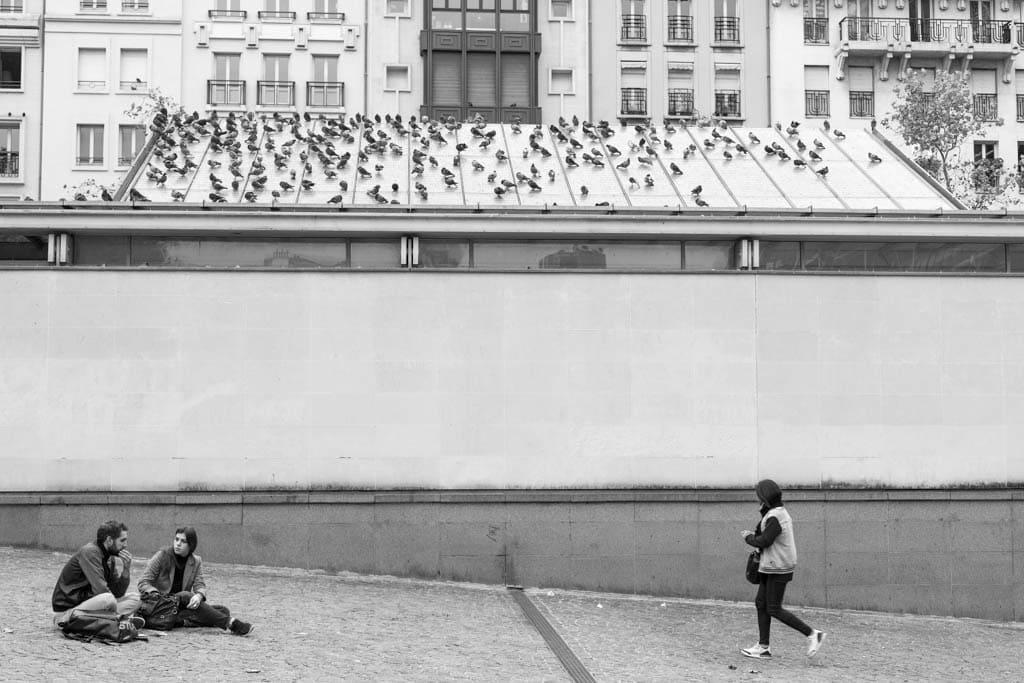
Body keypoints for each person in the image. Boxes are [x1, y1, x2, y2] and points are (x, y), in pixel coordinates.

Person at [740, 479, 825, 659]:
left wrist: (748, 537)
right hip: (772, 566)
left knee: (773, 608)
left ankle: (812, 634)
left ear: (765, 497)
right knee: (761, 603)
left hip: (778, 567)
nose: (758, 500)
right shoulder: (775, 512)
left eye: (759, 497)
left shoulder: (775, 516)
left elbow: (764, 540)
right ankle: (763, 647)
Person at [138, 526, 253, 635]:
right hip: (160, 604)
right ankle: (231, 623)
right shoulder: (161, 556)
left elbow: (200, 584)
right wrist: (154, 593)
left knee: (223, 610)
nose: (178, 544)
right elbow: (143, 582)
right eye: (176, 539)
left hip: (179, 607)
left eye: (183, 541)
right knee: (187, 596)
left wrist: (198, 596)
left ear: (191, 545)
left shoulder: (196, 561)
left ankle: (180, 621)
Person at [52, 520, 143, 627]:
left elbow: (118, 593)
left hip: (91, 606)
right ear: (109, 540)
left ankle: (108, 620)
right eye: (122, 541)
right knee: (107, 598)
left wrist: (126, 570)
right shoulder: (90, 552)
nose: (125, 545)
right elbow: (101, 591)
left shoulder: (110, 557)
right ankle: (114, 619)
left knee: (136, 598)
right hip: (69, 610)